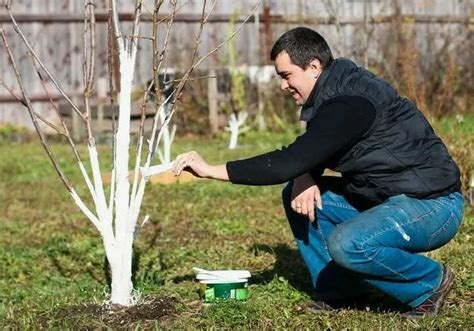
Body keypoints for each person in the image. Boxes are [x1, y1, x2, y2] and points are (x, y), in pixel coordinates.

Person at [171, 27, 464, 318]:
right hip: (386, 198)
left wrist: (211, 170)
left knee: (348, 244)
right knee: (297, 195)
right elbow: (311, 151)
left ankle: (430, 283)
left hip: (433, 206)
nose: (283, 86)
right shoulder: (332, 92)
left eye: (286, 75)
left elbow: (289, 161)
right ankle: (340, 291)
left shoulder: (350, 102)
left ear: (313, 66)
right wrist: (303, 175)